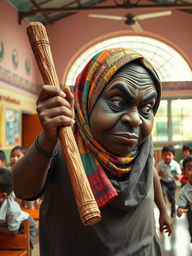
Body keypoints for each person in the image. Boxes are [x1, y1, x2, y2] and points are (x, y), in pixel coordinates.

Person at [12, 47, 168, 255]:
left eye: (147, 108)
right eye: (118, 102)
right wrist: (47, 140)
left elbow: (150, 173)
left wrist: (164, 211)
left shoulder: (142, 145)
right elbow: (24, 189)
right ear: (87, 100)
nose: (135, 119)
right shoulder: (62, 147)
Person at [0, 167, 36, 254]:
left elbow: (12, 231)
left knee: (21, 249)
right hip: (6, 226)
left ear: (3, 196)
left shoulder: (12, 209)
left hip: (22, 227)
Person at [157, 145, 182, 217]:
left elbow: (179, 174)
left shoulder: (175, 164)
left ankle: (173, 209)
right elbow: (157, 173)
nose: (167, 156)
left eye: (169, 155)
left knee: (172, 199)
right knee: (162, 194)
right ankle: (163, 210)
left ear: (173, 156)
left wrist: (177, 176)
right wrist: (161, 174)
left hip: (171, 183)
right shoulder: (160, 164)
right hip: (163, 182)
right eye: (165, 155)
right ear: (162, 155)